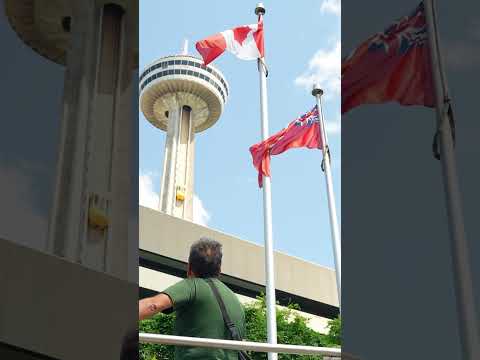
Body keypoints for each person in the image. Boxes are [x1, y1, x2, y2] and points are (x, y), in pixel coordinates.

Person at [139, 237, 246, 359]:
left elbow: (153, 305)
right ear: (219, 269)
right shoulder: (236, 301)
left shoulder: (192, 286)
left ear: (189, 268)